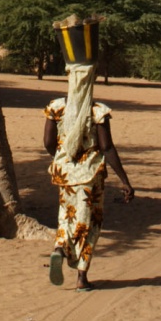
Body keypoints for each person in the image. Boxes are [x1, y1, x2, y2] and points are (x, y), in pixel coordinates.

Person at [43, 62, 134, 291]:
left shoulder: (56, 107)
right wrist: (124, 180)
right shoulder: (97, 111)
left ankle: (59, 248)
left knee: (66, 216)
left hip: (65, 174)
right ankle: (81, 278)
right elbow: (107, 147)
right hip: (90, 177)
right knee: (88, 224)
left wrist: (64, 158)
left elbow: (48, 142)